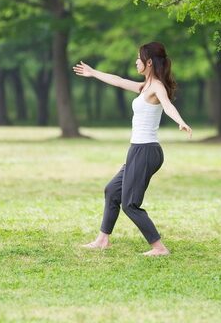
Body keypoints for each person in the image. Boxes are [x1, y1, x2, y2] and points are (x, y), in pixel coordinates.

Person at [72, 42, 192, 256]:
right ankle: (102, 240)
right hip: (137, 150)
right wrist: (92, 72)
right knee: (112, 190)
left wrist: (180, 121)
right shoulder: (143, 86)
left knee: (130, 204)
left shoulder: (156, 86)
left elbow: (167, 105)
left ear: (148, 62)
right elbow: (117, 81)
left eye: (139, 58)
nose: (136, 61)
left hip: (146, 151)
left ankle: (159, 248)